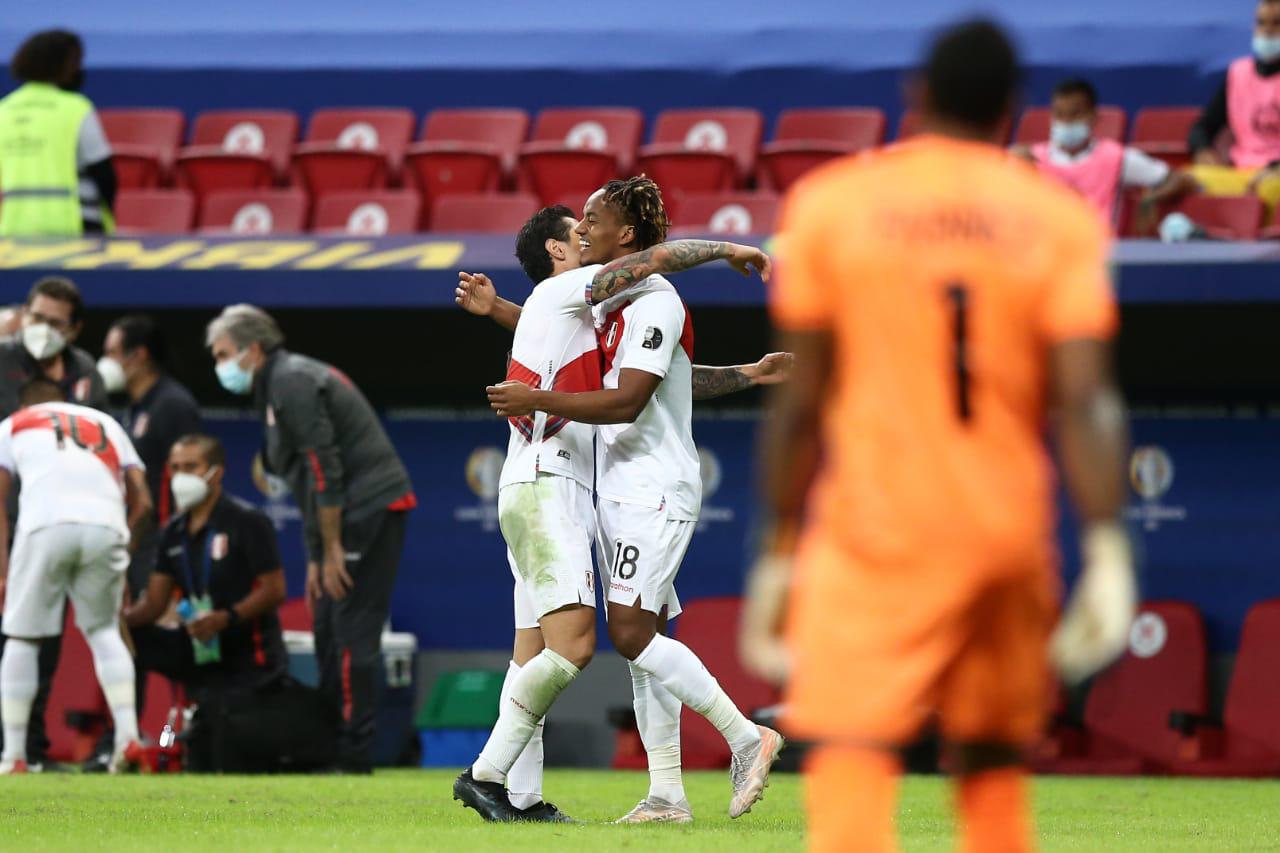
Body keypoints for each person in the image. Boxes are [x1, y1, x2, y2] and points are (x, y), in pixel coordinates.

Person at [739, 20, 1136, 853]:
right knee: (991, 756)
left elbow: (800, 404)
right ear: (1013, 110)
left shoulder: (832, 205)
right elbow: (1089, 400)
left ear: (915, 97)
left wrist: (777, 546)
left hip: (875, 530)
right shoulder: (1054, 218)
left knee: (851, 742)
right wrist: (1107, 545)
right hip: (1003, 535)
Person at [457, 185, 784, 825]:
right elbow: (607, 304)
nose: (585, 228)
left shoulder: (625, 303)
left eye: (594, 220)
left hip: (622, 485)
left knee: (606, 639)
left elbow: (649, 380)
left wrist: (748, 368)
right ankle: (519, 784)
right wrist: (728, 257)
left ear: (624, 237)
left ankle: (697, 767)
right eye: (577, 225)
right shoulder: (591, 299)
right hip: (564, 484)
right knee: (593, 642)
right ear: (560, 248)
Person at [204, 305, 414, 774]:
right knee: (325, 626)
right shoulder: (272, 388)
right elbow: (305, 484)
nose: (218, 366)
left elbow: (325, 468)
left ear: (252, 349)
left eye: (223, 355)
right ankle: (330, 744)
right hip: (344, 518)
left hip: (369, 509)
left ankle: (354, 755)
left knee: (349, 631)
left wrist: (334, 548)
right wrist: (318, 557)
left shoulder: (291, 380)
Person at [123, 434, 335, 772]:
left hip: (247, 652)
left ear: (215, 473)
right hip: (197, 644)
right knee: (129, 640)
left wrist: (226, 617)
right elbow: (154, 602)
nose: (181, 476)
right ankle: (125, 737)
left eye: (191, 467)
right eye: (175, 468)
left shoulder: (247, 522)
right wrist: (118, 622)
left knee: (222, 742)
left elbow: (274, 590)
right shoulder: (172, 532)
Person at [0, 379, 150, 774]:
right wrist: (123, 548)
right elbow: (144, 500)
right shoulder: (107, 423)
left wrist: (2, 566)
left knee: (22, 637)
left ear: (26, 403)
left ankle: (14, 755)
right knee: (104, 632)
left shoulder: (14, 423)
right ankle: (129, 738)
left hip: (44, 525)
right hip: (107, 528)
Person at [0, 275, 107, 770]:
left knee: (43, 641)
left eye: (55, 323)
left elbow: (101, 448)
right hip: (5, 517)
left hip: (56, 524)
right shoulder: (2, 358)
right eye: (36, 316)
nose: (41, 328)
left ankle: (31, 749)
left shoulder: (87, 374)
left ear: (75, 329)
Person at [1013, 78, 1198, 234]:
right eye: (1059, 114)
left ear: (1093, 117)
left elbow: (1184, 180)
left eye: (1074, 114)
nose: (1066, 122)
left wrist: (1151, 199)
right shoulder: (1029, 159)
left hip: (1098, 260)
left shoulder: (1115, 158)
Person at [99, 315, 201, 593]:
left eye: (111, 353)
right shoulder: (136, 407)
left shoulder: (172, 404)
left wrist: (181, 550)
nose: (105, 361)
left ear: (139, 355)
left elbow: (190, 479)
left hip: (162, 543)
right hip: (138, 537)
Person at [0, 29, 116, 236]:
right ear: (64, 65)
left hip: (14, 227)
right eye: (77, 62)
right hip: (76, 223)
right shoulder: (76, 108)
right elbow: (104, 174)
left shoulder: (4, 110)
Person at [1186, 0, 1280, 218]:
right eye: (1261, 23)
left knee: (1271, 189)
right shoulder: (1238, 73)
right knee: (1188, 180)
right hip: (1240, 174)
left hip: (1275, 177)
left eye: (1276, 23)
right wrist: (1202, 149)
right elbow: (1204, 126)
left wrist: (1274, 169)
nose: (1267, 31)